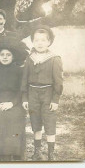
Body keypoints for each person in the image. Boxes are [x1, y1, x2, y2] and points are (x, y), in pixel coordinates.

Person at [21, 25, 63, 161]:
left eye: (43, 40)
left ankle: (51, 154)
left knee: (50, 122)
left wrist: (55, 100)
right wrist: (25, 98)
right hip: (33, 93)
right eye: (37, 40)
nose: (40, 43)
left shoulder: (54, 58)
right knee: (35, 122)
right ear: (32, 42)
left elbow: (58, 82)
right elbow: (24, 79)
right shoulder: (29, 58)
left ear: (49, 42)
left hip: (48, 93)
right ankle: (37, 151)